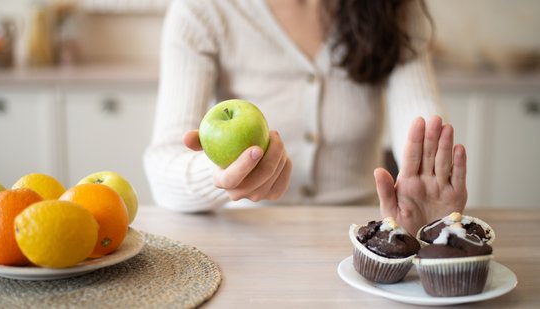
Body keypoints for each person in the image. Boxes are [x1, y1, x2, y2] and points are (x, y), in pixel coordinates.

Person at [144, 0, 467, 235]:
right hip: (249, 242)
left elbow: (423, 128)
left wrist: (430, 190)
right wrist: (220, 173)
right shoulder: (202, 11)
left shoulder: (395, 8)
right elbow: (164, 171)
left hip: (362, 240)